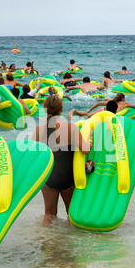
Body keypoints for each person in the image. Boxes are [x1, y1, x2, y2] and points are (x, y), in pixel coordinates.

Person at [31, 95, 93, 224]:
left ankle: (47, 241)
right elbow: (86, 150)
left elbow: (33, 156)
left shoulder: (38, 130)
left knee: (49, 214)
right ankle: (70, 242)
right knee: (71, 214)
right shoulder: (72, 127)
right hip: (68, 177)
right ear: (61, 109)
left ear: (45, 109)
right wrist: (91, 138)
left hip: (48, 177)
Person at [68, 93, 135, 119]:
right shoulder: (125, 104)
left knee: (87, 115)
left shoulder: (112, 102)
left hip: (103, 109)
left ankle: (75, 112)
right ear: (123, 98)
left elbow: (98, 103)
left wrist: (89, 110)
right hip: (108, 113)